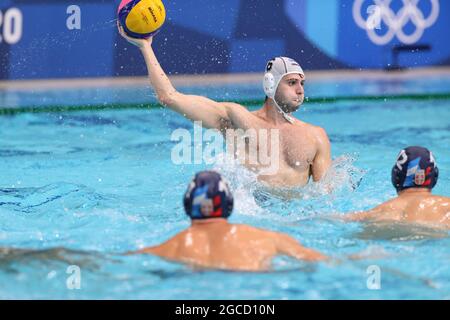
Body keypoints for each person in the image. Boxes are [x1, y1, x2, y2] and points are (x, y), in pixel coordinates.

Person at [118, 26, 331, 188]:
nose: (300, 90)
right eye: (292, 83)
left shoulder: (316, 136)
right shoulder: (236, 119)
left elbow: (326, 199)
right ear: (270, 84)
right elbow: (169, 97)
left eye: (302, 83)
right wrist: (145, 46)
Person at [131, 171, 327, 271]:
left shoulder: (166, 249)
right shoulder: (268, 239)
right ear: (228, 204)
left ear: (188, 205)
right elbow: (328, 263)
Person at [344, 146, 450, 229]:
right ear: (434, 176)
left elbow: (334, 219)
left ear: (396, 176)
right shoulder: (446, 207)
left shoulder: (378, 212)